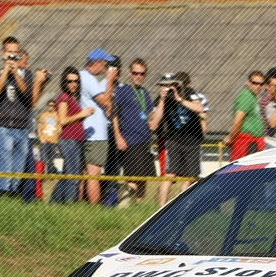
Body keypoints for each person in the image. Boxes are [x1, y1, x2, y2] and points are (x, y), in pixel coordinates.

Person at [0, 37, 48, 198]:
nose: (13, 56)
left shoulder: (26, 74)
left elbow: (27, 94)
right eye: (10, 52)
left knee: (18, 169)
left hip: (22, 127)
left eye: (16, 53)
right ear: (3, 53)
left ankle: (13, 198)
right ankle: (2, 197)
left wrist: (16, 72)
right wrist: (6, 70)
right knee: (6, 167)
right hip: (4, 126)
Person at [151, 70, 207, 204]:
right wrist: (162, 100)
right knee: (170, 174)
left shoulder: (188, 92)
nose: (168, 88)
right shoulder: (161, 99)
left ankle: (183, 206)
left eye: (170, 85)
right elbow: (154, 124)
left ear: (177, 85)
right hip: (174, 140)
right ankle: (162, 207)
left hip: (192, 140)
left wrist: (179, 99)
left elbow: (200, 108)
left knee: (191, 177)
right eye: (164, 85)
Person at [112, 57, 154, 203]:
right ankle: (125, 205)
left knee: (143, 178)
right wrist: (118, 136)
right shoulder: (122, 91)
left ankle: (139, 206)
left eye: (142, 74)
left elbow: (150, 114)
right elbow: (114, 114)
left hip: (145, 140)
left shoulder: (145, 92)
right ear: (130, 73)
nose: (138, 76)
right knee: (133, 178)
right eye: (135, 73)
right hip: (130, 140)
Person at [78, 49, 117, 203]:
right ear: (98, 63)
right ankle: (94, 208)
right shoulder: (89, 79)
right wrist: (109, 80)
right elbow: (106, 102)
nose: (106, 68)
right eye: (106, 65)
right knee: (94, 173)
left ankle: (80, 204)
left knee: (85, 172)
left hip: (87, 130)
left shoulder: (82, 76)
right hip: (96, 134)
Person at [50, 67, 91, 204]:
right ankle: (68, 205)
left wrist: (83, 116)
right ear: (64, 82)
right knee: (73, 176)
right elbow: (62, 120)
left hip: (75, 140)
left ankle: (54, 203)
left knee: (68, 174)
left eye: (76, 81)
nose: (73, 84)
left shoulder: (72, 98)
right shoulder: (64, 97)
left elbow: (72, 118)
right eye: (70, 81)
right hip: (69, 140)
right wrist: (81, 114)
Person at [227, 70, 267, 160]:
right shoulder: (246, 95)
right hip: (247, 142)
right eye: (255, 83)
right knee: (245, 168)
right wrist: (230, 138)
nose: (258, 86)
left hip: (253, 142)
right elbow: (238, 120)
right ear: (248, 82)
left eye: (261, 84)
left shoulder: (252, 96)